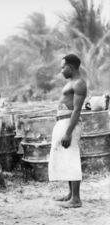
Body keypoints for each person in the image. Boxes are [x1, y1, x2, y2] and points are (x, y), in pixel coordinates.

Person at [49, 54, 87, 208]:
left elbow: (77, 110)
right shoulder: (72, 83)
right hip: (63, 122)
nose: (61, 70)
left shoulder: (79, 84)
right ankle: (71, 194)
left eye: (63, 67)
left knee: (71, 157)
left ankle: (76, 199)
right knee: (65, 157)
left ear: (70, 67)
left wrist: (68, 132)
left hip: (69, 125)